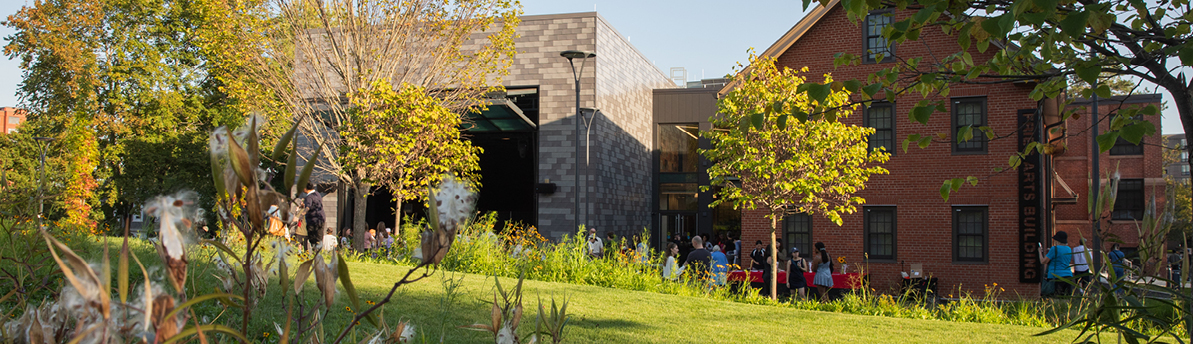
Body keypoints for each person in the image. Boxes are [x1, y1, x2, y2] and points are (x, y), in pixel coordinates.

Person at [1038, 231, 1074, 297]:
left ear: (1057, 240)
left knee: (1055, 298)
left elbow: (1043, 261)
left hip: (1056, 276)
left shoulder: (1054, 249)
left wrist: (1040, 252)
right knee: (1066, 298)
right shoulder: (1069, 249)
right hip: (1068, 276)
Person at [303, 183, 325, 250]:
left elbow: (308, 207)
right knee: (319, 237)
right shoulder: (317, 194)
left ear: (306, 188)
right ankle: (319, 253)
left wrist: (301, 215)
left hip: (313, 220)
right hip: (321, 218)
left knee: (313, 238)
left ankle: (315, 252)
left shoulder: (309, 197)